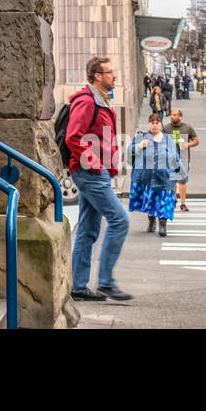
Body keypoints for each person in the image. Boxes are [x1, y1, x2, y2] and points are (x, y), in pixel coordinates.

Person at [66, 56, 132, 302]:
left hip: (95, 171)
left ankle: (79, 287)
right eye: (110, 72)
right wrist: (96, 166)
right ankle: (105, 282)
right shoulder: (86, 101)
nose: (114, 76)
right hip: (89, 173)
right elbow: (73, 137)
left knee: (87, 230)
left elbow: (104, 138)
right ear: (97, 76)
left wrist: (108, 167)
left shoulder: (100, 101)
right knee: (120, 220)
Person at [129, 113, 184, 237]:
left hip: (164, 177)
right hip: (147, 177)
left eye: (157, 123)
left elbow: (175, 157)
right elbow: (129, 152)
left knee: (163, 201)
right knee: (150, 201)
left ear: (160, 125)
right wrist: (139, 146)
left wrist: (180, 174)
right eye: (152, 123)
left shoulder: (168, 139)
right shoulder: (141, 137)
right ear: (149, 124)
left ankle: (162, 225)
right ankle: (152, 221)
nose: (154, 125)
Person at [168, 109, 199, 212]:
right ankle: (173, 198)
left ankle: (183, 203)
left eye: (175, 115)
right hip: (170, 158)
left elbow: (196, 140)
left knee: (182, 181)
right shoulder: (166, 128)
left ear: (180, 116)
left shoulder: (187, 128)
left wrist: (187, 144)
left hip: (184, 158)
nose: (172, 117)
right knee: (172, 180)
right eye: (172, 115)